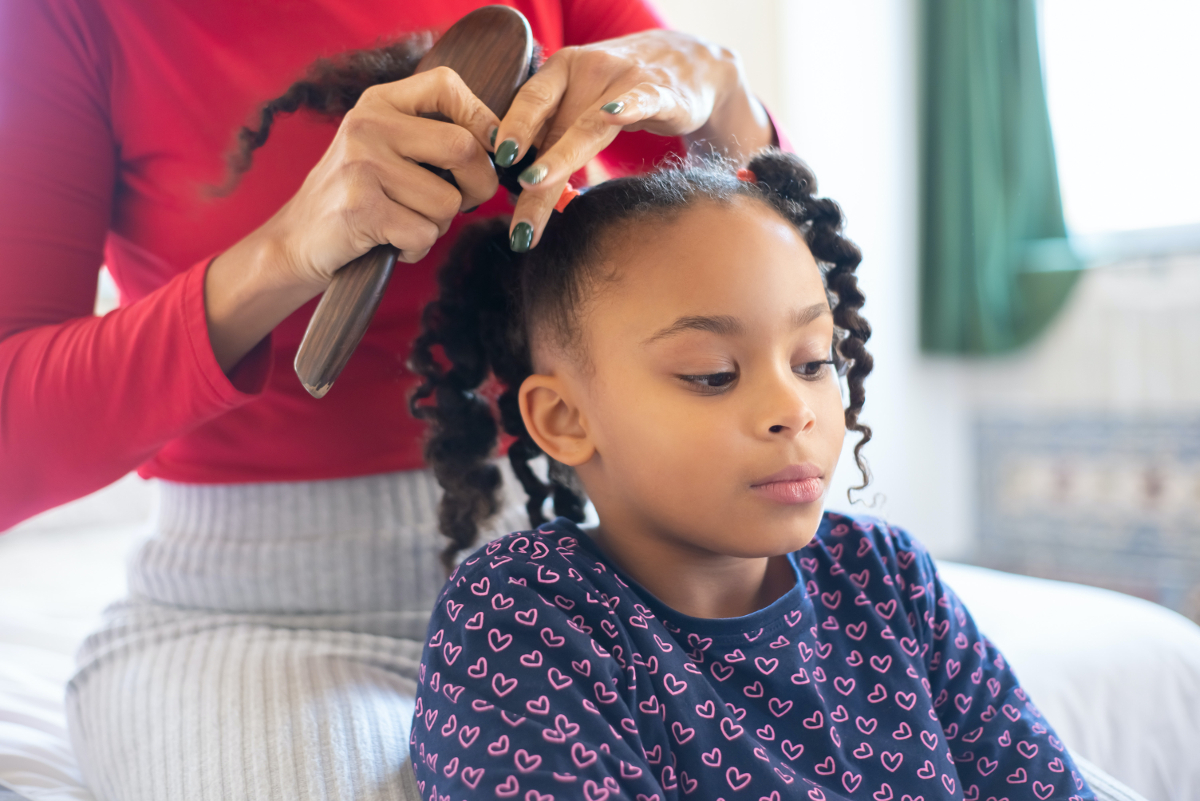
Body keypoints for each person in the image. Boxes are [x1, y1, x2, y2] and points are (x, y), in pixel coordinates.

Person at [0, 1, 779, 799]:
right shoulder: (71, 18)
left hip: (582, 586)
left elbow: (800, 313)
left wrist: (724, 101)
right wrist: (282, 251)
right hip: (261, 625)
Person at [406, 150, 1097, 800]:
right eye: (712, 373)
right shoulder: (524, 615)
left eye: (812, 361)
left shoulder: (885, 575)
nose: (792, 410)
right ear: (564, 419)